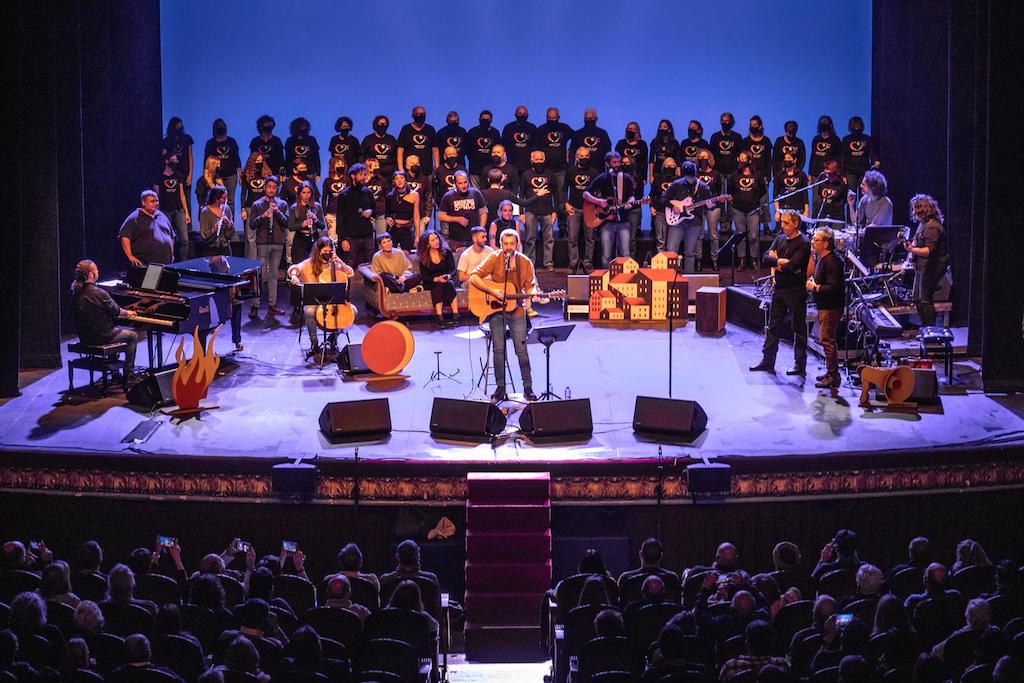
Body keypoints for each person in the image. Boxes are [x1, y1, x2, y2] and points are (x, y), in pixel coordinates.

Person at [470, 228, 539, 402]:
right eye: (505, 244)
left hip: (517, 311)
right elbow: (474, 277)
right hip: (497, 310)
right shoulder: (495, 257)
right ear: (501, 244)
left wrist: (534, 293)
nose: (509, 247)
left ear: (518, 244)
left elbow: (531, 285)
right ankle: (500, 388)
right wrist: (492, 290)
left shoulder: (525, 262)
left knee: (521, 350)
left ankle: (528, 388)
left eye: (512, 244)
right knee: (498, 349)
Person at [750, 211, 811, 375]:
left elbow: (794, 266)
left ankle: (800, 365)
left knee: (798, 328)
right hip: (780, 288)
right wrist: (780, 262)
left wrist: (779, 262)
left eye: (786, 223)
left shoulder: (803, 243)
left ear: (796, 224)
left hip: (795, 290)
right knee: (773, 325)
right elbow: (765, 258)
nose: (782, 226)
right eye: (782, 222)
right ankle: (768, 361)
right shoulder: (780, 238)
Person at [287, 237, 353, 357]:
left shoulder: (335, 263)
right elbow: (294, 268)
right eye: (325, 252)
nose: (327, 254)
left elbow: (350, 272)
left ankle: (333, 338)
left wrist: (339, 260)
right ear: (318, 251)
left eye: (330, 252)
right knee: (309, 311)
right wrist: (294, 275)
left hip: (334, 302)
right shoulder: (309, 263)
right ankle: (314, 342)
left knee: (353, 311)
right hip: (315, 301)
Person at [71, 260, 139, 377]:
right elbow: (117, 311)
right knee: (132, 336)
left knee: (114, 329)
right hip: (102, 336)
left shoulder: (76, 292)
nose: (98, 272)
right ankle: (130, 374)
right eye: (96, 270)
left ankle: (115, 373)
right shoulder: (99, 293)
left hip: (85, 337)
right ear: (91, 275)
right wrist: (129, 312)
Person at [807, 226, 846, 389]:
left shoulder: (831, 262)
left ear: (826, 243)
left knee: (827, 341)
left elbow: (834, 287)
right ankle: (831, 373)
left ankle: (833, 377)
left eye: (816, 240)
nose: (813, 242)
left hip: (831, 308)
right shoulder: (822, 258)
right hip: (825, 306)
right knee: (827, 340)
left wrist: (814, 287)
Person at [584, 151, 636, 268]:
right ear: (608, 164)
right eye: (614, 162)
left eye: (619, 162)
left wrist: (630, 202)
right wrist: (599, 202)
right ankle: (606, 279)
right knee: (606, 255)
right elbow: (586, 194)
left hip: (623, 221)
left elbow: (631, 195)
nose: (617, 164)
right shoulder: (602, 178)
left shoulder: (626, 178)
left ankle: (625, 280)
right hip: (606, 223)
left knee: (625, 254)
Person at [249, 176, 289, 319]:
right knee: (260, 275)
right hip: (263, 243)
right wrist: (262, 217)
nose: (271, 189)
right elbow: (252, 225)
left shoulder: (283, 204)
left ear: (277, 189)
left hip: (277, 243)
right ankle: (255, 305)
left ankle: (272, 305)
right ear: (265, 187)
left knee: (273, 275)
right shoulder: (257, 204)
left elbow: (287, 223)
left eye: (274, 187)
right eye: (269, 186)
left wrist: (277, 211)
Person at [663, 161, 713, 272]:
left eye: (692, 176)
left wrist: (711, 205)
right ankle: (670, 275)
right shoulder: (676, 184)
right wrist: (673, 206)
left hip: (695, 222)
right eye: (688, 176)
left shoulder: (703, 187)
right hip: (677, 222)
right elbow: (664, 199)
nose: (690, 179)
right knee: (671, 250)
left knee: (690, 252)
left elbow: (711, 204)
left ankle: (689, 277)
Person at [729, 150, 767, 270]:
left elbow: (763, 190)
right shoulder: (735, 175)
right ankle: (741, 260)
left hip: (753, 209)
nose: (741, 161)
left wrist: (754, 200)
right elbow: (730, 190)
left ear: (749, 161)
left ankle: (754, 259)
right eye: (739, 159)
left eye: (743, 159)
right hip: (738, 209)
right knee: (740, 236)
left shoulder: (757, 175)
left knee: (753, 236)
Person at [536, 107, 574, 225]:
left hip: (561, 170)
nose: (551, 120)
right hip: (545, 171)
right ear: (546, 117)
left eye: (554, 118)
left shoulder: (564, 128)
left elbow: (577, 138)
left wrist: (571, 152)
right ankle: (544, 228)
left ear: (558, 118)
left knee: (561, 200)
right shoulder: (541, 130)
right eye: (549, 118)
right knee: (545, 199)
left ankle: (562, 226)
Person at [520, 150, 557, 270]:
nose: (539, 162)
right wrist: (521, 212)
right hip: (531, 211)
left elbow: (556, 194)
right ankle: (529, 263)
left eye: (541, 159)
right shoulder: (526, 175)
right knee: (530, 239)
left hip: (547, 212)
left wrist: (554, 211)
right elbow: (521, 195)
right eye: (536, 160)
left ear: (544, 160)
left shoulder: (550, 174)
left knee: (549, 239)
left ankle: (548, 263)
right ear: (531, 160)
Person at [119, 189, 176, 266]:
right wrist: (130, 256)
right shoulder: (134, 217)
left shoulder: (162, 216)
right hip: (147, 264)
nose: (156, 203)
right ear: (143, 202)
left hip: (166, 263)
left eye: (157, 201)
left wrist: (171, 253)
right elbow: (124, 236)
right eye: (152, 201)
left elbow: (171, 236)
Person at [337, 163, 377, 270]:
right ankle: (346, 287)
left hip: (367, 236)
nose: (364, 177)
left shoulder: (367, 192)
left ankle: (370, 288)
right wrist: (342, 239)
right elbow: (340, 219)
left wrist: (370, 211)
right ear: (353, 176)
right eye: (361, 175)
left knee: (370, 268)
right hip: (351, 238)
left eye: (364, 175)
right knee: (348, 269)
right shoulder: (344, 195)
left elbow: (375, 209)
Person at [154, 151, 191, 262]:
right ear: (166, 161)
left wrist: (186, 212)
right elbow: (157, 196)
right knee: (168, 238)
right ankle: (169, 261)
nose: (175, 162)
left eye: (176, 160)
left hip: (178, 210)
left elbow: (182, 195)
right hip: (165, 211)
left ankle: (184, 262)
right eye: (173, 160)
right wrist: (158, 213)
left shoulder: (178, 175)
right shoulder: (158, 176)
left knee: (184, 239)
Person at [418, 231, 460, 328]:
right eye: (433, 240)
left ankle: (456, 315)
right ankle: (440, 316)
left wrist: (448, 276)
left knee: (450, 284)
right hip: (432, 281)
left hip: (446, 279)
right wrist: (437, 279)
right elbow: (424, 277)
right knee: (439, 285)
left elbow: (453, 270)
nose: (436, 241)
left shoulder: (447, 252)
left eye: (437, 238)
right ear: (427, 244)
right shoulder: (424, 257)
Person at [565, 148, 597, 271]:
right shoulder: (571, 171)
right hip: (574, 208)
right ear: (577, 157)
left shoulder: (594, 172)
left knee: (590, 238)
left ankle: (588, 262)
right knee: (572, 238)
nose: (584, 158)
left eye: (586, 155)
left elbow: (598, 191)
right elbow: (564, 189)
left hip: (590, 209)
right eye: (581, 155)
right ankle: (574, 262)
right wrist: (565, 204)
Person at [438, 170, 487, 246]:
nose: (463, 185)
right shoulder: (448, 196)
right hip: (456, 239)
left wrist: (480, 230)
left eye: (465, 182)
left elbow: (483, 212)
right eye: (460, 183)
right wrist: (457, 219)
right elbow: (441, 216)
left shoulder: (475, 193)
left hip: (473, 238)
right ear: (455, 183)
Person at [204, 119, 242, 216]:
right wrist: (207, 177)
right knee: (215, 200)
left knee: (230, 201)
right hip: (216, 176)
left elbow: (237, 160)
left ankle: (229, 223)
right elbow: (207, 162)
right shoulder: (210, 143)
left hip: (231, 175)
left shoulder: (231, 142)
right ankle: (217, 224)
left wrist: (240, 174)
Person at [742, 115, 773, 230]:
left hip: (763, 176)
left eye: (755, 125)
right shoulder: (745, 141)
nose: (753, 127)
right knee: (750, 200)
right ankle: (750, 226)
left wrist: (768, 176)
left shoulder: (766, 141)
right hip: (749, 175)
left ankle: (766, 225)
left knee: (764, 201)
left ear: (760, 126)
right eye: (751, 125)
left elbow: (769, 161)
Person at [695, 149, 724, 271]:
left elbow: (719, 191)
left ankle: (715, 260)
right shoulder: (695, 173)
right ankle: (698, 260)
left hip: (713, 207)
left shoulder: (716, 174)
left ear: (710, 159)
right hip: (698, 207)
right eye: (701, 157)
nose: (703, 159)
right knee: (699, 235)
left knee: (713, 235)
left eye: (705, 157)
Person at [241, 150, 273, 259]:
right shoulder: (246, 175)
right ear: (252, 162)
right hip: (251, 208)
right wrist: (243, 209)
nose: (259, 163)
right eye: (257, 161)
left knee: (264, 236)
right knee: (251, 237)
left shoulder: (267, 174)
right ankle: (252, 264)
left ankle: (263, 264)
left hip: (265, 207)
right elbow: (243, 194)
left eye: (261, 160)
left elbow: (272, 191)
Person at [287, 181, 325, 267]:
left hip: (314, 238)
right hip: (300, 240)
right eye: (303, 192)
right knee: (300, 267)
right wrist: (302, 225)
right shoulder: (294, 207)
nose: (306, 195)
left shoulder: (317, 206)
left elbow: (322, 226)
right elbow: (291, 226)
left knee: (315, 266)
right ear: (299, 194)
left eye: (308, 192)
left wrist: (315, 219)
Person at [162, 116, 194, 209]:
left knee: (187, 199)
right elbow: (164, 158)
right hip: (172, 173)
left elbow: (190, 157)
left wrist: (190, 175)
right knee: (173, 198)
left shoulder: (187, 139)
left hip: (185, 172)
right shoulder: (166, 141)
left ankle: (188, 222)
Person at [384, 170, 421, 250]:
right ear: (394, 182)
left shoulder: (414, 195)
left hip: (407, 229)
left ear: (406, 180)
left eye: (402, 178)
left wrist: (417, 236)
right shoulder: (390, 196)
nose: (399, 180)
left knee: (409, 255)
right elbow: (387, 213)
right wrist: (387, 218)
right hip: (393, 229)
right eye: (397, 179)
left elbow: (416, 216)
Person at [649, 156, 678, 253]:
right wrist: (651, 207)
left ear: (675, 167)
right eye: (667, 165)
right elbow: (651, 195)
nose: (669, 167)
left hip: (675, 214)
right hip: (660, 211)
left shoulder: (679, 180)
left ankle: (671, 266)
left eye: (672, 165)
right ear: (663, 167)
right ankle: (661, 266)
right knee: (660, 240)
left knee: (672, 243)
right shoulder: (657, 179)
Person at [569, 108, 612, 174]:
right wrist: (571, 168)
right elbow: (572, 152)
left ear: (596, 119)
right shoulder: (578, 134)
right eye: (587, 118)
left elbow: (608, 151)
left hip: (599, 170)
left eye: (591, 118)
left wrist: (609, 168)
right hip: (581, 171)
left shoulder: (602, 133)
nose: (589, 120)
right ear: (584, 119)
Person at [397, 105, 436, 174]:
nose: (421, 116)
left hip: (427, 170)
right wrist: (400, 169)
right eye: (418, 114)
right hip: (409, 171)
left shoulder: (430, 130)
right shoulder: (406, 129)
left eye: (423, 114)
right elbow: (400, 150)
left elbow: (435, 150)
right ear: (413, 115)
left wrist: (436, 167)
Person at [198, 185, 236, 257]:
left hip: (225, 248)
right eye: (223, 198)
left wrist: (228, 225)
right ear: (216, 199)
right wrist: (213, 230)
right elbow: (203, 234)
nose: (226, 200)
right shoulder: (205, 211)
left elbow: (231, 232)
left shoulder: (226, 209)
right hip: (211, 249)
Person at [465, 109, 498, 187]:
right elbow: (467, 150)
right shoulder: (472, 132)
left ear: (491, 120)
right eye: (483, 120)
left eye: (487, 120)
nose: (485, 121)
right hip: (474, 170)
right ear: (479, 120)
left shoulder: (495, 133)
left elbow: (498, 149)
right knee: (476, 195)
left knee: (489, 194)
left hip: (490, 170)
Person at [320, 155, 349, 243]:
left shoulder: (347, 180)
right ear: (333, 166)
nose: (341, 166)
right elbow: (324, 198)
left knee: (345, 238)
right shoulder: (328, 181)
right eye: (338, 164)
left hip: (345, 213)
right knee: (333, 239)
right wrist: (325, 215)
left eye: (342, 164)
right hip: (332, 214)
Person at [284, 117, 321, 185]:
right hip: (294, 173)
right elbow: (287, 160)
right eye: (300, 126)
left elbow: (317, 158)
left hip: (310, 173)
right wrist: (287, 175)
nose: (302, 128)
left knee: (309, 193)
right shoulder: (290, 141)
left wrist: (318, 174)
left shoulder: (311, 140)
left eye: (304, 126)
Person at [843, 116, 875, 192]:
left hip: (863, 171)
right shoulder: (846, 140)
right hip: (850, 172)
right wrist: (843, 174)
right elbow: (843, 157)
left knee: (863, 196)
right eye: (854, 125)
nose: (856, 127)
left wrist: (875, 160)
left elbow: (871, 152)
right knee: (851, 196)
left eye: (858, 125)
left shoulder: (867, 138)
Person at [774, 152, 810, 221]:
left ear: (794, 160)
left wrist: (806, 211)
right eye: (785, 158)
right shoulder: (779, 175)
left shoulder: (801, 175)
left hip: (798, 209)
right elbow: (775, 194)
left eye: (789, 158)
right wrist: (777, 211)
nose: (786, 160)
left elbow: (805, 194)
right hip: (783, 209)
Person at [404, 154, 434, 235]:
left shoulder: (424, 179)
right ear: (407, 166)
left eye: (417, 163)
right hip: (404, 216)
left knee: (420, 240)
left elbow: (429, 197)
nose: (415, 165)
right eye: (412, 163)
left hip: (421, 215)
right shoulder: (402, 178)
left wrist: (428, 215)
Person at [363, 157, 390, 235]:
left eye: (378, 165)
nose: (377, 168)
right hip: (367, 215)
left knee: (381, 238)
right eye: (374, 166)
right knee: (370, 239)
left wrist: (387, 214)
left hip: (380, 213)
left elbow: (386, 197)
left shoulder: (383, 180)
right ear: (368, 167)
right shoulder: (363, 181)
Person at [710, 112, 743, 177]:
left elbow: (739, 153)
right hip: (717, 170)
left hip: (733, 171)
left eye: (727, 121)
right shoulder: (715, 137)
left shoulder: (737, 137)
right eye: (722, 121)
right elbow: (712, 153)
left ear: (732, 122)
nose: (724, 123)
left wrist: (734, 166)